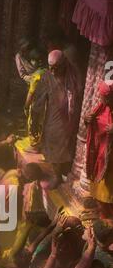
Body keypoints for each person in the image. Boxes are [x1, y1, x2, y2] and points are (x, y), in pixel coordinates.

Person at [31, 50, 82, 186]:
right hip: (54, 119)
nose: (52, 71)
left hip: (72, 119)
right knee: (53, 145)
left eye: (56, 68)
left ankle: (65, 171)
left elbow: (79, 94)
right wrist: (34, 122)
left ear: (64, 64)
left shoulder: (73, 75)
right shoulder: (46, 77)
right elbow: (38, 101)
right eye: (50, 67)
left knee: (69, 146)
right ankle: (56, 175)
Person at [85, 80, 113, 218]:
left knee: (109, 192)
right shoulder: (102, 107)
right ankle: (103, 215)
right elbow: (96, 122)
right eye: (102, 98)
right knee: (100, 190)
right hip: (101, 158)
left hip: (111, 163)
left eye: (106, 98)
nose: (104, 101)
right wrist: (87, 120)